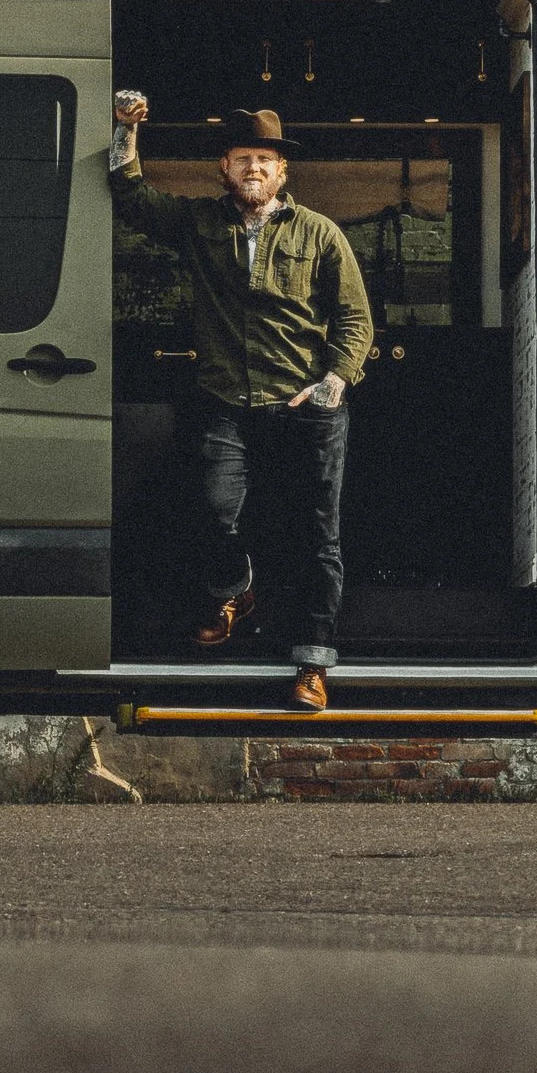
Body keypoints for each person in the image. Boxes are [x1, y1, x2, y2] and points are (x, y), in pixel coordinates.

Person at [110, 93, 373, 710]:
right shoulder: (201, 224)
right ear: (223, 169)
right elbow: (130, 198)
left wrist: (334, 384)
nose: (253, 168)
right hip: (222, 401)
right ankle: (233, 589)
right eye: (241, 158)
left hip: (303, 407)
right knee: (211, 511)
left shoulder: (319, 233)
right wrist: (125, 130)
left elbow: (354, 320)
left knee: (315, 537)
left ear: (283, 171)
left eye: (264, 159)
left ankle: (312, 664)